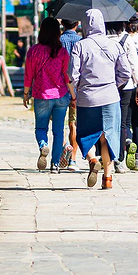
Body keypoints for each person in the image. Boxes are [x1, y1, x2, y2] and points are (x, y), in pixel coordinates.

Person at [69, 9, 131, 189]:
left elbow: (72, 75)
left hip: (87, 99)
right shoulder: (115, 45)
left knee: (85, 135)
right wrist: (114, 84)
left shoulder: (80, 46)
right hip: (111, 97)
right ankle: (108, 179)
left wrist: (80, 86)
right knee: (108, 137)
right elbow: (126, 73)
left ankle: (93, 160)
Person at [23, 17, 71, 174]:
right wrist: (73, 94)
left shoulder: (34, 51)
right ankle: (55, 165)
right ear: (58, 32)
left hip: (42, 95)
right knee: (59, 131)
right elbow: (66, 75)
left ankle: (43, 145)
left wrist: (25, 94)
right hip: (61, 96)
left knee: (41, 127)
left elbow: (28, 75)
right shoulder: (62, 51)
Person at [117, 16, 138, 172]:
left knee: (124, 122)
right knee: (137, 123)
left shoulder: (120, 39)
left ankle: (126, 143)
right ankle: (137, 160)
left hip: (123, 84)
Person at [58, 19, 81, 171]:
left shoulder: (57, 41)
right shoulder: (82, 42)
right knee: (74, 123)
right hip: (77, 87)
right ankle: (73, 160)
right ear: (77, 23)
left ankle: (64, 146)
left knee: (59, 123)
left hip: (59, 87)